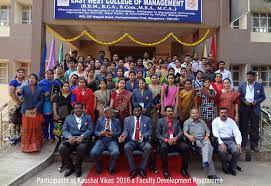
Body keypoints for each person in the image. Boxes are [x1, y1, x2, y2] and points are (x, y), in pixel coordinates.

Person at [59, 103, 93, 177]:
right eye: (76, 108)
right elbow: (64, 130)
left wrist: (82, 136)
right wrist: (69, 137)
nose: (78, 109)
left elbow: (90, 129)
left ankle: (78, 167)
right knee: (62, 148)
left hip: (82, 139)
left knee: (82, 148)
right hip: (70, 139)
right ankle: (70, 167)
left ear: (82, 109)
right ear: (73, 109)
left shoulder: (88, 117)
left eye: (80, 108)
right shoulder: (68, 118)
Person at [183, 109, 218, 179]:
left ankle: (205, 162)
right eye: (193, 113)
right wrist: (189, 136)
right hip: (195, 140)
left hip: (204, 139)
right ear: (190, 114)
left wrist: (206, 136)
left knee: (207, 145)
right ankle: (211, 174)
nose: (195, 114)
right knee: (207, 150)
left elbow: (208, 131)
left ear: (198, 114)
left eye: (196, 113)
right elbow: (185, 132)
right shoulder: (187, 122)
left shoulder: (202, 121)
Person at [156, 106, 190, 179]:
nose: (170, 112)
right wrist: (167, 140)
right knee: (163, 148)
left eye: (171, 111)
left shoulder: (176, 121)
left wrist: (176, 138)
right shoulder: (160, 121)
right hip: (166, 140)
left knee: (186, 147)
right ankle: (165, 170)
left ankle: (184, 169)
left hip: (175, 140)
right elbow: (158, 134)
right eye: (168, 111)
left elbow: (180, 132)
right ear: (165, 113)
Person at [119, 105, 152, 178]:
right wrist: (123, 136)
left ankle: (142, 169)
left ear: (141, 111)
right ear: (133, 111)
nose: (137, 112)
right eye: (135, 111)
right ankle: (133, 169)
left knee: (148, 147)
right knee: (126, 147)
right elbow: (125, 131)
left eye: (138, 110)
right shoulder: (127, 119)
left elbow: (150, 131)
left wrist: (143, 136)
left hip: (142, 141)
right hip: (132, 141)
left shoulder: (147, 119)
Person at [238, 71, 266, 152]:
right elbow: (239, 95)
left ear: (254, 77)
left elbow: (263, 97)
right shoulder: (242, 85)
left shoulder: (259, 85)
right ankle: (243, 145)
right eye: (247, 77)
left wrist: (256, 101)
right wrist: (244, 101)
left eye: (250, 77)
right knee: (243, 127)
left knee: (255, 127)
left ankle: (254, 145)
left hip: (255, 107)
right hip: (244, 107)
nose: (249, 78)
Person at [90, 107, 122, 174]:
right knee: (93, 153)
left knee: (116, 152)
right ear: (105, 113)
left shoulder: (117, 121)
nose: (112, 114)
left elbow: (120, 131)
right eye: (110, 113)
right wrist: (100, 133)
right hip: (101, 140)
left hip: (112, 140)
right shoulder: (99, 120)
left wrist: (112, 133)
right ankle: (99, 166)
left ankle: (111, 167)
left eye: (112, 113)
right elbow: (95, 131)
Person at [212, 108, 242, 176]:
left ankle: (232, 167)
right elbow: (215, 133)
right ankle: (225, 167)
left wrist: (238, 143)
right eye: (222, 112)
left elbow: (237, 132)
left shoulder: (231, 121)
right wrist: (221, 143)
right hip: (220, 140)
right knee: (223, 152)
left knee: (237, 151)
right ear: (219, 113)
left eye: (225, 113)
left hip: (230, 140)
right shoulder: (215, 121)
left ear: (227, 113)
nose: (223, 114)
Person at [20, 74, 44, 152]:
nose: (31, 79)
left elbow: (41, 100)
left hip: (36, 112)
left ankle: (35, 145)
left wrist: (36, 108)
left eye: (33, 78)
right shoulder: (24, 87)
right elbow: (20, 94)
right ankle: (26, 146)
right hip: (26, 111)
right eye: (30, 78)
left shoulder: (40, 89)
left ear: (36, 80)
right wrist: (18, 93)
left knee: (35, 128)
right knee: (27, 128)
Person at [9, 68, 25, 139]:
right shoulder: (13, 82)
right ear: (16, 73)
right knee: (13, 120)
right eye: (19, 72)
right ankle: (12, 137)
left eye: (22, 72)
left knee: (20, 120)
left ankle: (19, 136)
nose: (21, 73)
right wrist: (18, 101)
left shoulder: (25, 82)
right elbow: (11, 93)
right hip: (15, 104)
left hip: (23, 104)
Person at [39, 69, 55, 142]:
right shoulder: (41, 83)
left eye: (50, 74)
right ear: (45, 75)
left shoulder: (56, 83)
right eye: (47, 74)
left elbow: (59, 92)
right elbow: (37, 93)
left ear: (53, 75)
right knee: (46, 121)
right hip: (45, 104)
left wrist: (55, 96)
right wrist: (43, 94)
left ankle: (52, 136)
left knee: (53, 121)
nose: (49, 75)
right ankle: (45, 136)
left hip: (54, 104)